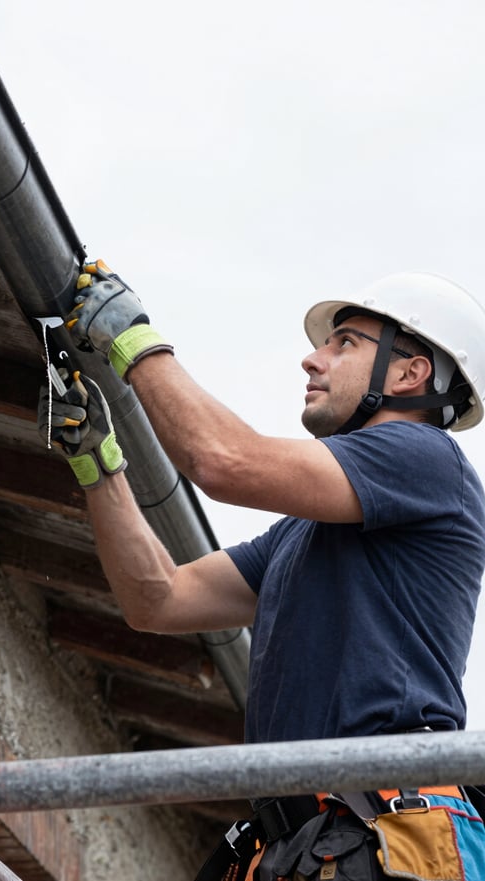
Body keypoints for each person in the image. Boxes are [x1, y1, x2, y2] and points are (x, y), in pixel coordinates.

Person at [38, 265, 485, 880]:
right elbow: (159, 600)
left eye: (345, 343)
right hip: (304, 842)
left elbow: (222, 461)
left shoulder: (426, 459)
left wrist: (134, 340)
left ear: (411, 373)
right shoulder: (307, 532)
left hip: (384, 835)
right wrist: (98, 460)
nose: (312, 359)